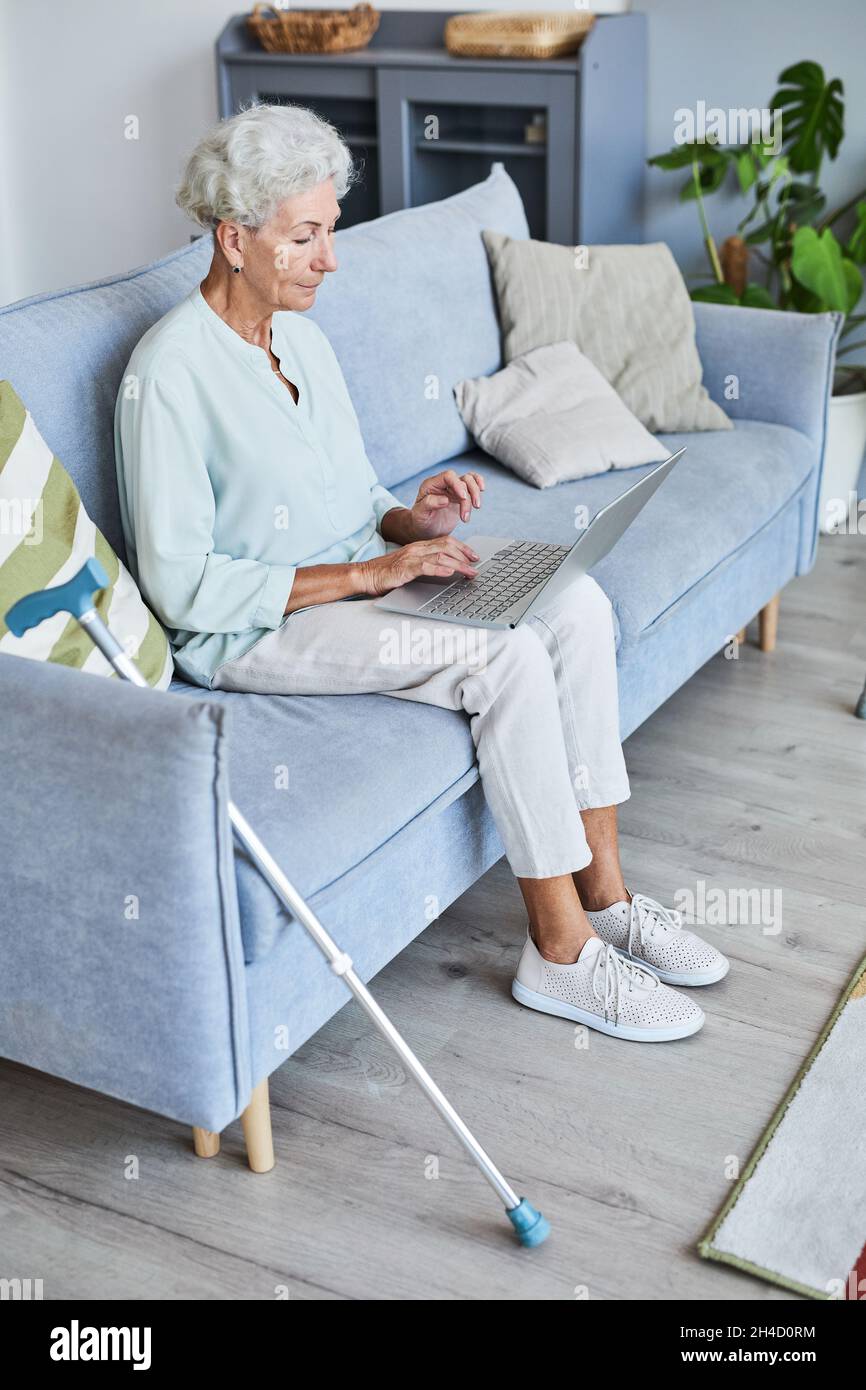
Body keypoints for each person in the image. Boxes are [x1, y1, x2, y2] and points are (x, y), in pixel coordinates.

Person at [115, 103, 729, 1045]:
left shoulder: (302, 342)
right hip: (253, 626)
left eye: (331, 230)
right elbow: (184, 588)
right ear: (234, 239)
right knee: (510, 663)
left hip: (361, 576)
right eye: (305, 236)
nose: (330, 257)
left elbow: (360, 494)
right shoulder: (166, 376)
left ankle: (604, 896)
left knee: (576, 602)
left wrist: (416, 522)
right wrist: (372, 576)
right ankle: (559, 957)